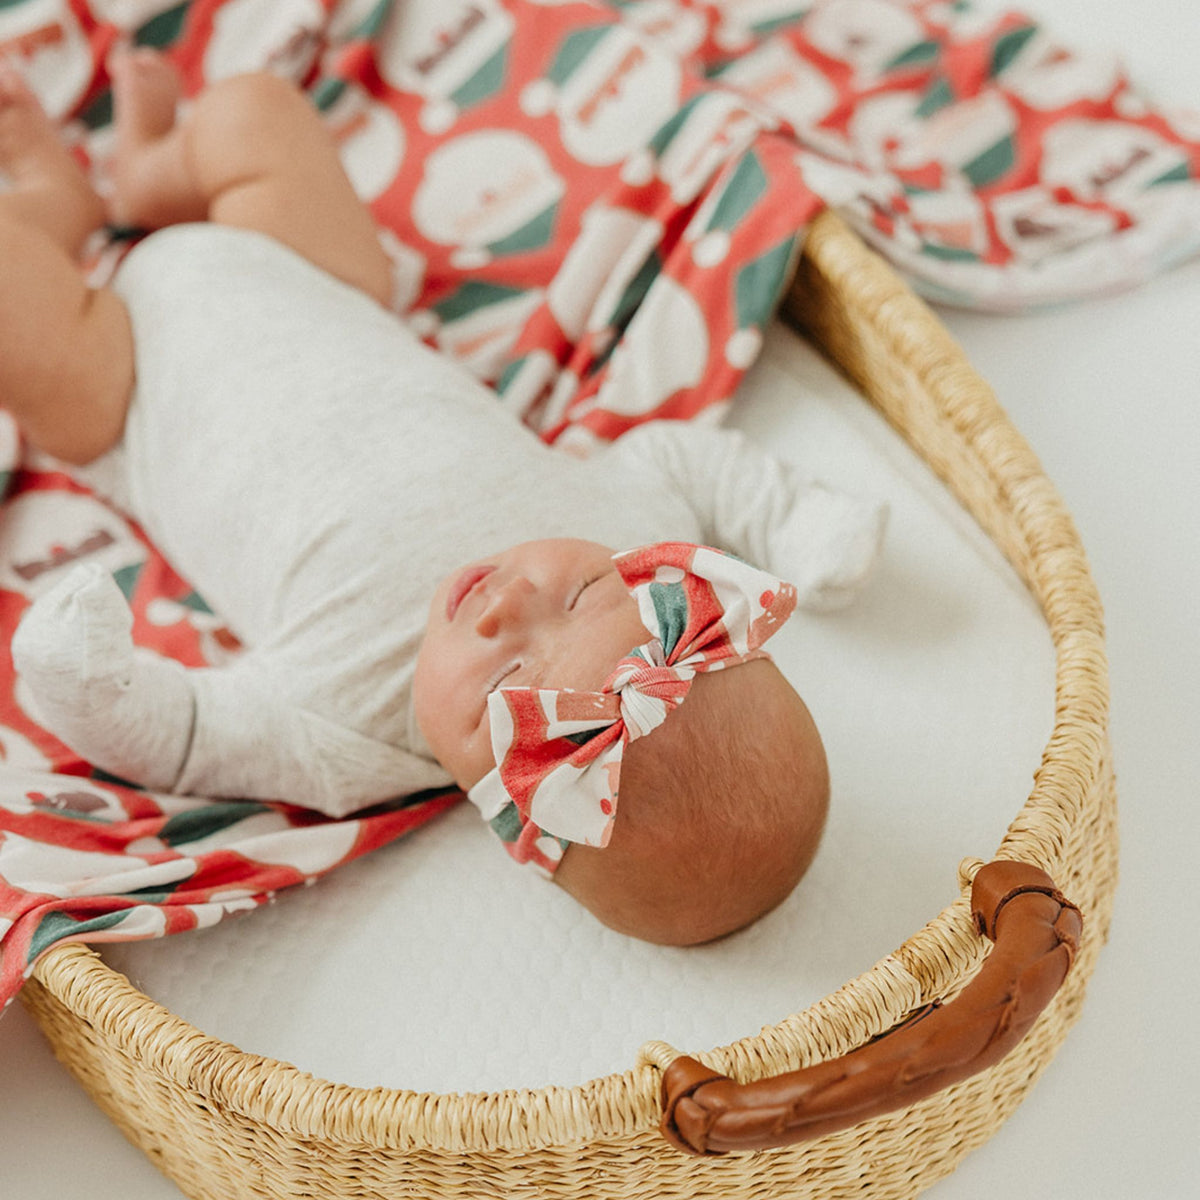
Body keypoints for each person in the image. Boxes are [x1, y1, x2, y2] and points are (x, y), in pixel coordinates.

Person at [0, 52, 885, 946]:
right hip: (312, 279)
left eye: (505, 681)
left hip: (126, 383)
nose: (508, 604)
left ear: (495, 800)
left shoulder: (353, 735)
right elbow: (687, 462)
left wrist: (86, 678)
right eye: (579, 594)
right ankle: (149, 173)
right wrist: (800, 521)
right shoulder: (628, 533)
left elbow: (186, 734)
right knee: (252, 114)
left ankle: (50, 210)